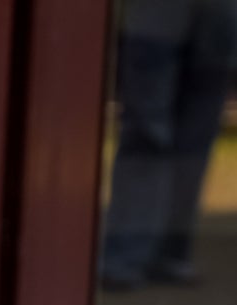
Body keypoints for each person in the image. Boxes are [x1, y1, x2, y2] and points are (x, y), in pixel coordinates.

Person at [101, 0, 237, 290]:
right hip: (156, 18)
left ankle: (168, 251)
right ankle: (128, 254)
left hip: (215, 18)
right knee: (147, 135)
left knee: (194, 140)